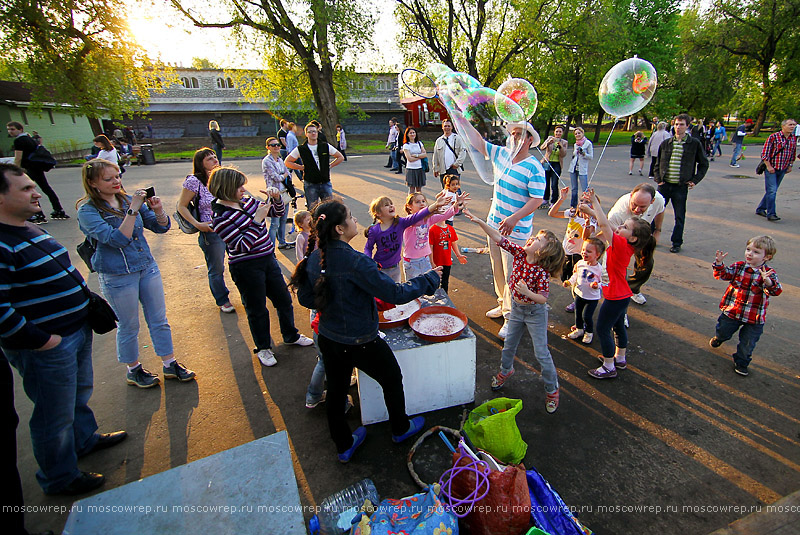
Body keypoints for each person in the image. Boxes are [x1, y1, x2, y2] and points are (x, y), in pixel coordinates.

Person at [0, 163, 126, 496]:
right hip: (48, 343)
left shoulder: (27, 228)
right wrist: (43, 341)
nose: (36, 191)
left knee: (76, 395)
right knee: (52, 414)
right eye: (25, 189)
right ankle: (60, 476)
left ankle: (84, 440)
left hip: (74, 330)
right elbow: (0, 310)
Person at [290, 199, 440, 462]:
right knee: (392, 379)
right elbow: (395, 292)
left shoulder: (314, 258)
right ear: (339, 228)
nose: (355, 220)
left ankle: (344, 445)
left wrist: (336, 302)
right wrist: (428, 279)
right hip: (361, 340)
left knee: (336, 391)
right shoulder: (357, 262)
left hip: (328, 337)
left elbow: (305, 298)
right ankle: (400, 428)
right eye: (350, 216)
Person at [77, 159, 196, 388]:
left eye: (117, 177)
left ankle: (170, 363)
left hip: (146, 267)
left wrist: (158, 209)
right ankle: (133, 369)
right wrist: (133, 209)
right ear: (92, 183)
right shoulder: (88, 211)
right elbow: (116, 239)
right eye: (108, 179)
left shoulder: (127, 200)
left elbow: (160, 227)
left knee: (159, 319)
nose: (116, 182)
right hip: (117, 275)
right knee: (129, 324)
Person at [208, 168, 313, 367]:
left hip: (267, 259)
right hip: (245, 267)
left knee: (283, 300)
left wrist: (276, 199)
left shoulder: (246, 201)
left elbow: (277, 212)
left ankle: (290, 334)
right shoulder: (220, 217)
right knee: (256, 309)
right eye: (239, 186)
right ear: (227, 188)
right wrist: (257, 220)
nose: (243, 189)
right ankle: (263, 347)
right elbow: (241, 245)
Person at [463, 208, 564, 413]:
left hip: (535, 313)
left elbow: (543, 298)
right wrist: (479, 221)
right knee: (509, 345)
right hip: (517, 310)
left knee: (541, 353)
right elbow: (498, 237)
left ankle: (552, 389)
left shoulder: (541, 272)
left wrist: (527, 291)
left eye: (537, 239)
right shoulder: (519, 253)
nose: (531, 238)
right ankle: (505, 372)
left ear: (542, 252)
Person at [458, 121, 546, 338]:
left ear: (528, 140)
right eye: (512, 133)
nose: (513, 137)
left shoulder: (534, 166)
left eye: (519, 134)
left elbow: (537, 199)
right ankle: (502, 302)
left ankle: (511, 316)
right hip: (494, 223)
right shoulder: (501, 154)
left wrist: (514, 219)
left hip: (516, 230)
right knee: (497, 266)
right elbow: (478, 142)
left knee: (512, 274)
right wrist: (461, 118)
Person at [578, 189, 654, 379]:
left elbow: (605, 224)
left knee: (603, 328)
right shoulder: (627, 245)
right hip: (622, 295)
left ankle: (608, 366)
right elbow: (607, 224)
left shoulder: (620, 244)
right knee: (618, 326)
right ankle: (620, 358)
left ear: (633, 237)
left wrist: (595, 202)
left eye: (625, 227)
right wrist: (590, 210)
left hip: (615, 296)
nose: (619, 228)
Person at [710, 236, 781, 376]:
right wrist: (719, 264)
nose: (749, 253)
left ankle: (742, 362)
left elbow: (776, 290)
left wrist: (768, 282)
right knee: (723, 330)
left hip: (754, 316)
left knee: (748, 343)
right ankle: (720, 338)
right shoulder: (739, 266)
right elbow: (724, 275)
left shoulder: (769, 274)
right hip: (733, 311)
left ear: (767, 257)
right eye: (748, 249)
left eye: (756, 252)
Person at [176, 148, 235, 313]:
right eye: (209, 158)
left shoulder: (221, 176)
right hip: (211, 230)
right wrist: (197, 224)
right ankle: (223, 299)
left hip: (230, 226)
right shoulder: (194, 181)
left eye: (215, 157)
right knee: (217, 268)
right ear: (200, 163)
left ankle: (246, 293)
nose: (215, 160)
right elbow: (182, 206)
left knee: (239, 261)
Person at [653, 113, 709, 254]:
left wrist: (695, 180)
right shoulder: (666, 143)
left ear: (687, 126)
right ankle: (649, 237)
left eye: (682, 124)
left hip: (680, 186)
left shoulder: (694, 144)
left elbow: (703, 164)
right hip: (664, 184)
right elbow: (657, 162)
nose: (678, 127)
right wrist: (658, 178)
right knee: (654, 211)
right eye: (676, 124)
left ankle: (676, 242)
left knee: (679, 215)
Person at [364, 193, 449, 283]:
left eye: (391, 204)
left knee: (396, 291)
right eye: (386, 205)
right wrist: (369, 262)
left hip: (395, 267)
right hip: (380, 269)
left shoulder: (400, 223)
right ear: (378, 213)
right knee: (382, 294)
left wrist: (435, 206)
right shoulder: (374, 230)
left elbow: (416, 217)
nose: (391, 206)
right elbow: (368, 247)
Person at [607, 183, 666, 306]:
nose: (637, 210)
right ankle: (619, 302)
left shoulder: (659, 200)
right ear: (631, 195)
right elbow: (608, 230)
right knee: (617, 270)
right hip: (621, 239)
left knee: (647, 263)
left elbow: (660, 211)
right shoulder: (618, 213)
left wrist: (658, 230)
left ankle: (633, 288)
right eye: (634, 204)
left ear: (652, 201)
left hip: (642, 235)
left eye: (642, 207)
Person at [6, 121, 67, 223]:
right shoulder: (30, 139)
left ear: (20, 129)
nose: (10, 131)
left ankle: (38, 214)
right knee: (46, 188)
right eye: (8, 129)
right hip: (37, 167)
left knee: (29, 190)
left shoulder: (19, 141)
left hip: (28, 168)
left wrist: (15, 171)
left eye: (12, 129)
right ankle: (58, 210)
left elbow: (18, 158)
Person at [548, 185, 597, 312]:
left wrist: (586, 223)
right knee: (565, 277)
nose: (583, 203)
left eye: (588, 202)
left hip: (579, 255)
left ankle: (577, 301)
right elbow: (552, 213)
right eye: (582, 200)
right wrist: (561, 199)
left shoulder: (592, 220)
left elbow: (586, 237)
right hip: (566, 252)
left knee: (578, 279)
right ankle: (576, 295)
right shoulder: (572, 213)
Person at [402, 191, 462, 280]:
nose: (421, 203)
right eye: (417, 202)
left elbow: (445, 216)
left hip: (425, 259)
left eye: (423, 201)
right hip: (412, 262)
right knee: (413, 289)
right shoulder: (408, 220)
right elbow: (418, 221)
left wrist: (456, 205)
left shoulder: (429, 219)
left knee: (427, 286)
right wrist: (433, 208)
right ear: (409, 206)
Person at [285, 122, 344, 208]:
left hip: (325, 182)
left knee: (329, 208)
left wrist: (330, 165)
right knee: (312, 208)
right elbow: (287, 162)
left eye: (314, 131)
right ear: (306, 134)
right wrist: (301, 168)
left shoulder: (325, 146)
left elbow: (340, 157)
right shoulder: (301, 149)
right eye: (310, 132)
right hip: (310, 183)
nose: (313, 133)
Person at [563, 238, 606, 344]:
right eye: (583, 249)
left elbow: (605, 283)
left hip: (592, 298)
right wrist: (569, 282)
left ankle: (589, 333)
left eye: (589, 251)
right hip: (579, 294)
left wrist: (597, 285)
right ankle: (579, 329)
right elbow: (576, 275)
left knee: (586, 316)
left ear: (597, 255)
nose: (584, 253)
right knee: (578, 313)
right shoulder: (580, 263)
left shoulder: (599, 269)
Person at [756, 118, 796, 222]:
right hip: (772, 168)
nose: (792, 127)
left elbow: (793, 153)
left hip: (783, 168)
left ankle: (760, 209)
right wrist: (768, 166)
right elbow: (765, 154)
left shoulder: (793, 138)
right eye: (790, 124)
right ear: (783, 126)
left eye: (794, 125)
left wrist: (790, 165)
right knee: (772, 190)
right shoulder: (774, 137)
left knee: (772, 190)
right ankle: (771, 214)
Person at [262, 137, 294, 249]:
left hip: (284, 193)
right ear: (268, 147)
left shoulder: (280, 160)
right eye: (273, 145)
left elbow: (287, 174)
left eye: (278, 145)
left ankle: (282, 242)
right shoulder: (266, 161)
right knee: (275, 223)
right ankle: (270, 247)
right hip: (275, 194)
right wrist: (284, 174)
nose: (276, 147)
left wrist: (284, 174)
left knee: (284, 220)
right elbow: (276, 177)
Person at [429, 217, 467, 293]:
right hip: (437, 262)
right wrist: (432, 262)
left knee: (445, 282)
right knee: (434, 282)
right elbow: (430, 247)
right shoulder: (432, 230)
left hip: (447, 261)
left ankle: (444, 297)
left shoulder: (450, 228)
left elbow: (453, 242)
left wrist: (459, 255)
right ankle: (435, 299)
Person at [539, 126, 568, 209]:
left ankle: (554, 201)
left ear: (562, 133)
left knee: (554, 184)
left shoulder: (564, 142)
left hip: (557, 164)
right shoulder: (550, 139)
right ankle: (545, 199)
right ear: (554, 132)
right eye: (557, 131)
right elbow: (542, 147)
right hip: (547, 163)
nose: (558, 133)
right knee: (546, 182)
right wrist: (548, 142)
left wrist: (561, 146)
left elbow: (563, 155)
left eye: (560, 132)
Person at [432, 119, 467, 186]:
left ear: (452, 127)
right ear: (442, 127)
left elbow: (463, 152)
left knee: (455, 189)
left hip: (454, 168)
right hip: (443, 169)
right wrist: (435, 169)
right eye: (445, 126)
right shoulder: (439, 140)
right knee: (445, 190)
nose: (447, 128)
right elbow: (435, 156)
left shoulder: (457, 138)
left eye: (448, 126)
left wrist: (457, 164)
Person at [567, 127, 593, 208]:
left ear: (583, 133)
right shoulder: (576, 144)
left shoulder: (588, 143)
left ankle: (587, 204)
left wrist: (584, 153)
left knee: (584, 188)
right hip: (573, 168)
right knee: (574, 188)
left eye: (579, 133)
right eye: (576, 134)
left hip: (582, 168)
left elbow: (591, 157)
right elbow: (574, 155)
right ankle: (573, 205)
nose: (577, 135)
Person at [402, 126, 427, 194]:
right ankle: (409, 203)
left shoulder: (419, 143)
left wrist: (416, 155)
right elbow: (409, 159)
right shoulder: (406, 145)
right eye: (410, 133)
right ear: (407, 134)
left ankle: (420, 203)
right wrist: (420, 156)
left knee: (419, 189)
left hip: (420, 168)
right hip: (411, 169)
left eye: (413, 132)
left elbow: (425, 154)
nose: (412, 134)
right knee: (412, 189)